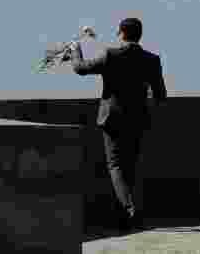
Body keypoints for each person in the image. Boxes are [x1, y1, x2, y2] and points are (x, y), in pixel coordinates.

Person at [70, 17, 167, 233]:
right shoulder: (152, 59)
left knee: (115, 166)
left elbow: (80, 68)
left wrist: (75, 49)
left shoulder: (111, 55)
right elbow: (161, 95)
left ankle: (130, 210)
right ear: (139, 34)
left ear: (122, 33)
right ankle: (127, 215)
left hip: (113, 119)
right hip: (138, 119)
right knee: (130, 167)